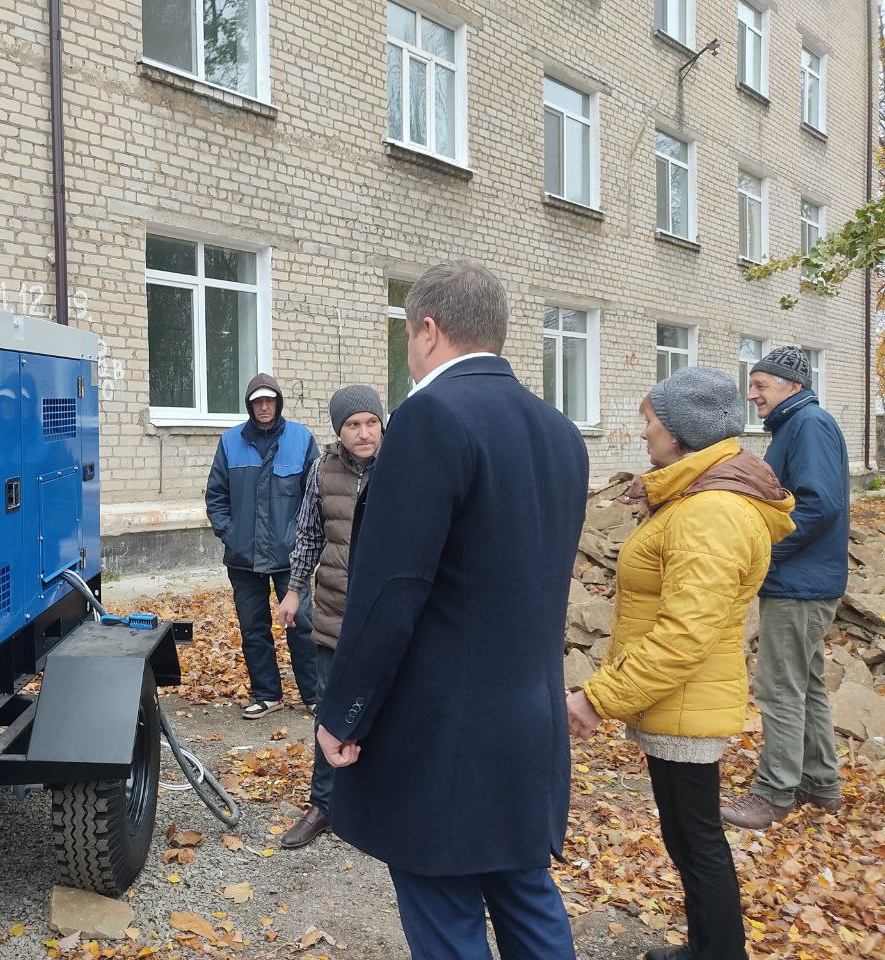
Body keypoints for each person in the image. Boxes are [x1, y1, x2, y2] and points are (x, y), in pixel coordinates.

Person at [316, 261, 589, 959]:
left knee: (444, 913)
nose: (408, 352)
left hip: (444, 734)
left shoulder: (431, 417)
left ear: (428, 330)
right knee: (526, 898)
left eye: (408, 335)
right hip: (528, 720)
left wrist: (344, 713)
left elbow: (390, 593)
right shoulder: (559, 431)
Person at [567, 366, 795, 960]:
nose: (644, 433)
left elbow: (683, 635)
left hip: (686, 698)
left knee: (696, 838)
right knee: (687, 835)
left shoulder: (710, 512)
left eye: (650, 421)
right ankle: (707, 947)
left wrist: (597, 698)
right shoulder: (695, 497)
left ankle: (719, 953)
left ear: (681, 431)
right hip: (677, 699)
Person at [721, 346, 851, 829]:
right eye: (751, 385)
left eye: (762, 386)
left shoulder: (809, 425)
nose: (752, 394)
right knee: (807, 684)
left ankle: (774, 793)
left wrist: (765, 554)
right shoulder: (797, 425)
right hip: (806, 581)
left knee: (778, 688)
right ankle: (820, 784)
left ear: (793, 387)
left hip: (800, 583)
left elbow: (819, 505)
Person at [275, 385, 385, 849]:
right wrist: (295, 592)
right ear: (339, 431)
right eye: (353, 425)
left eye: (371, 423)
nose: (364, 433)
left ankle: (380, 804)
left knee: (386, 711)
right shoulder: (323, 470)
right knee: (329, 708)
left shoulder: (403, 466)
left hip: (384, 617)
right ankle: (325, 804)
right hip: (336, 612)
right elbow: (309, 537)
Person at [205, 373, 321, 719]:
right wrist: (231, 532)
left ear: (279, 402)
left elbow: (316, 495)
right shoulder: (230, 442)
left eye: (270, 400)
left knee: (301, 623)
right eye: (258, 401)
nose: (264, 406)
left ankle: (314, 695)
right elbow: (216, 496)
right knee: (253, 627)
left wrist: (306, 540)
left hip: (291, 557)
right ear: (250, 405)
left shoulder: (301, 439)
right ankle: (267, 693)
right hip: (243, 557)